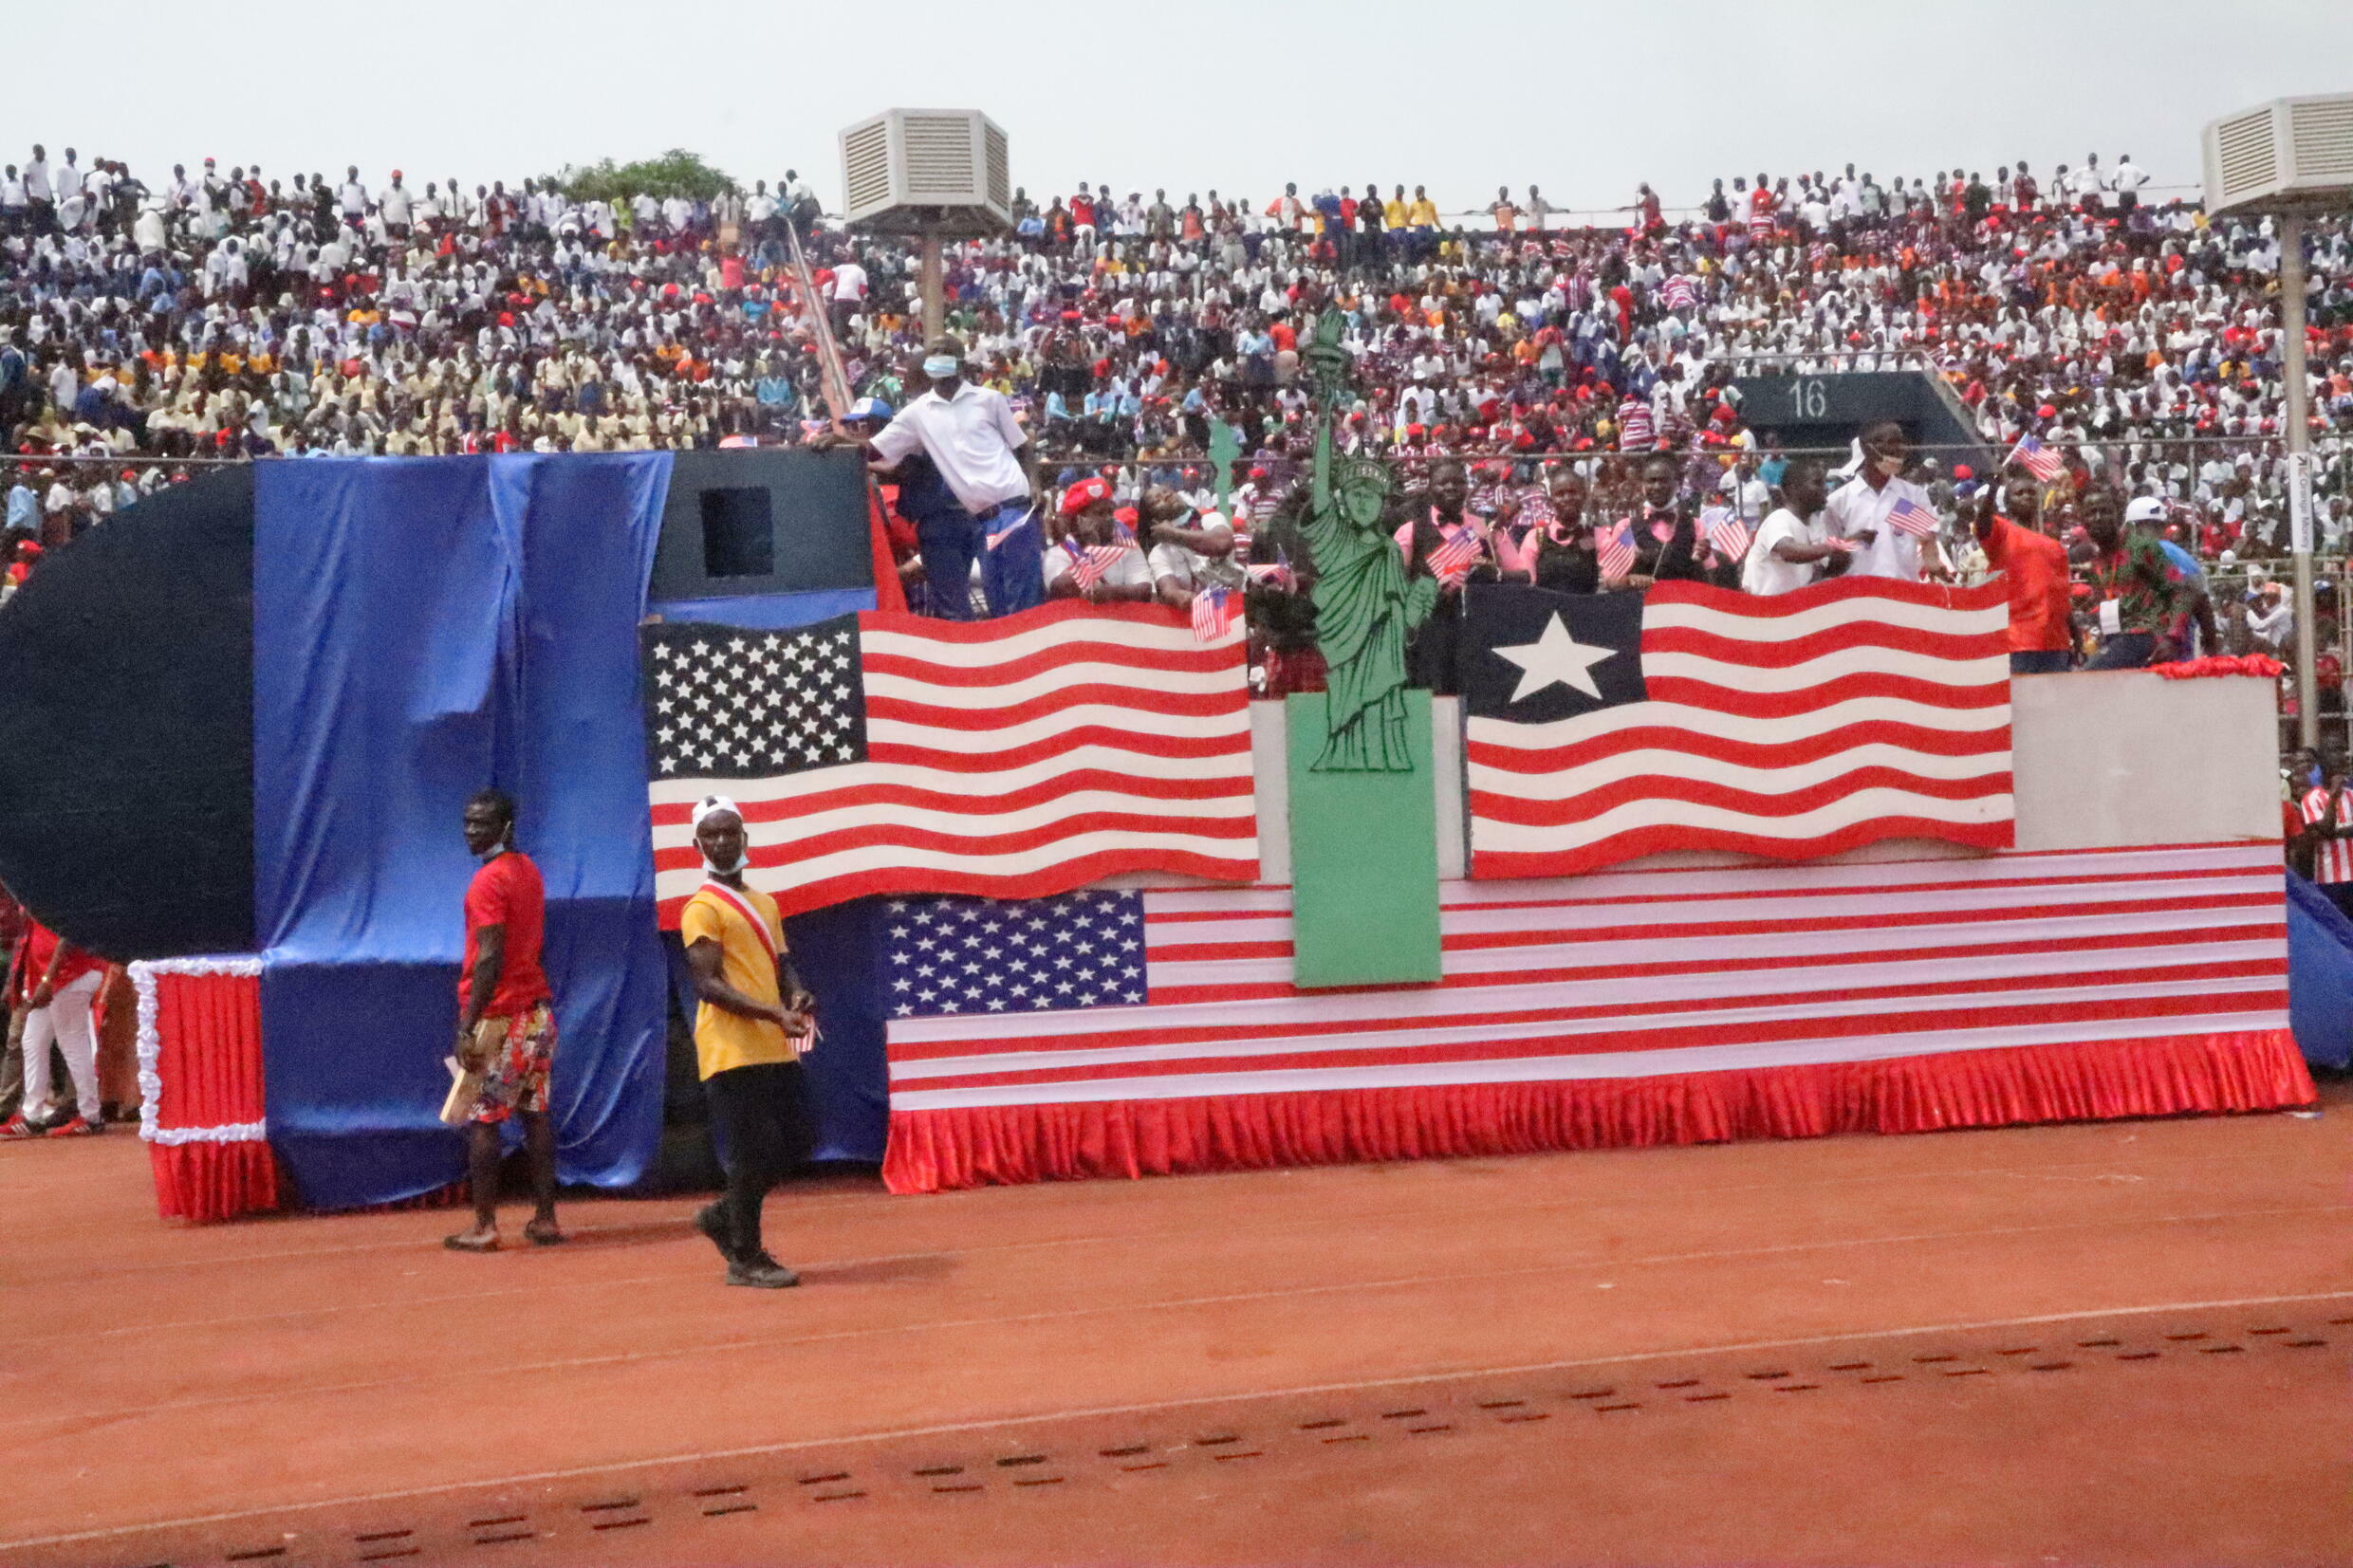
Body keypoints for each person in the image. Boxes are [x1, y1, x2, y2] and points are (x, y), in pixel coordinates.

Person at [680, 797, 815, 1290]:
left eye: (729, 833)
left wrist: (795, 994)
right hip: (731, 1050)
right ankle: (746, 1255)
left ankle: (724, 1217)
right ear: (697, 845)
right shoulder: (702, 907)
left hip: (773, 1045)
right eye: (710, 836)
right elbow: (708, 985)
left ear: (744, 838)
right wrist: (775, 1013)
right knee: (750, 1152)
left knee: (797, 1140)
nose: (721, 842)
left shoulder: (765, 903)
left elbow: (781, 965)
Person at [444, 789, 561, 1252]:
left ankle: (485, 1226)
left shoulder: (487, 882)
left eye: (482, 823)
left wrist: (469, 1024)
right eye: (468, 822)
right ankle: (546, 1218)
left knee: (483, 1118)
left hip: (502, 1016)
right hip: (538, 1014)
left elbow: (489, 955)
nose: (472, 831)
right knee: (536, 1114)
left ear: (506, 826)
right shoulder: (528, 871)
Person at [859, 335, 1042, 619]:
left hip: (1013, 506)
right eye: (934, 351)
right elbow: (874, 450)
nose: (939, 355)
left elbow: (1022, 446)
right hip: (981, 519)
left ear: (961, 360)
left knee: (1022, 602)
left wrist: (1036, 485)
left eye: (947, 351)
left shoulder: (989, 399)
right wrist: (837, 439)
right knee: (998, 606)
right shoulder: (917, 413)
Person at [0, 914, 105, 1137]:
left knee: (72, 1043)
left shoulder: (56, 888)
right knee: (32, 1041)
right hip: (47, 976)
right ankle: (32, 1116)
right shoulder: (32, 889)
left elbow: (67, 933)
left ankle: (90, 1116)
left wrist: (48, 980)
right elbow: (27, 938)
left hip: (69, 973)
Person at [1974, 473, 2074, 673]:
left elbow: (2062, 595)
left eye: (2031, 492)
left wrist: (2076, 636)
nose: (2027, 496)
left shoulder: (2055, 546)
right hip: (2018, 640)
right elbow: (1982, 524)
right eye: (2020, 493)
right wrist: (1992, 490)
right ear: (2008, 503)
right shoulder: (2000, 531)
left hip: (2056, 642)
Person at [2078, 488, 2184, 672]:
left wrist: (2171, 638)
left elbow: (2181, 592)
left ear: (2118, 514)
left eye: (2104, 511)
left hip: (2144, 637)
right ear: (2083, 521)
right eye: (2091, 513)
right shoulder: (2098, 560)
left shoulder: (2141, 548)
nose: (2097, 518)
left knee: (2088, 678)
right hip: (2116, 638)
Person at [1825, 422, 1939, 581]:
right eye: (1892, 442)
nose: (1899, 449)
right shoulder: (1838, 501)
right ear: (1867, 448)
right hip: (1856, 596)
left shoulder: (1913, 496)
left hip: (1903, 594)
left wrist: (1935, 566)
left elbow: (1927, 541)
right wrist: (1851, 542)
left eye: (1901, 443)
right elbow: (1830, 553)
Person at [1741, 458, 1849, 595]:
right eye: (1817, 483)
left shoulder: (1816, 523)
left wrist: (1845, 552)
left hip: (1796, 608)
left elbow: (1822, 572)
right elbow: (1788, 552)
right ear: (1793, 488)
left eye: (1824, 482)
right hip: (1764, 608)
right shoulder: (1780, 518)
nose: (1825, 488)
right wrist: (1832, 547)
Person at [2300, 760, 2353, 919]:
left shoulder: (2351, 795)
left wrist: (2334, 833)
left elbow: (2327, 833)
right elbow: (2326, 830)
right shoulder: (2311, 799)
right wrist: (2334, 797)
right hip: (2329, 878)